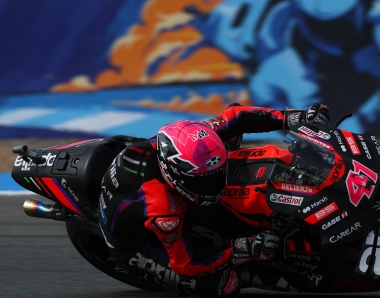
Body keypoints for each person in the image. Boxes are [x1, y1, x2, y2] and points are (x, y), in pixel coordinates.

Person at [98, 103, 331, 297]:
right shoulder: (162, 210)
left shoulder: (189, 139)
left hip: (142, 181)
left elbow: (237, 116)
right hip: (136, 246)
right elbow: (185, 264)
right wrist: (241, 248)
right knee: (225, 285)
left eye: (216, 175)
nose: (215, 184)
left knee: (230, 137)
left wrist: (294, 118)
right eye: (204, 181)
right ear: (174, 174)